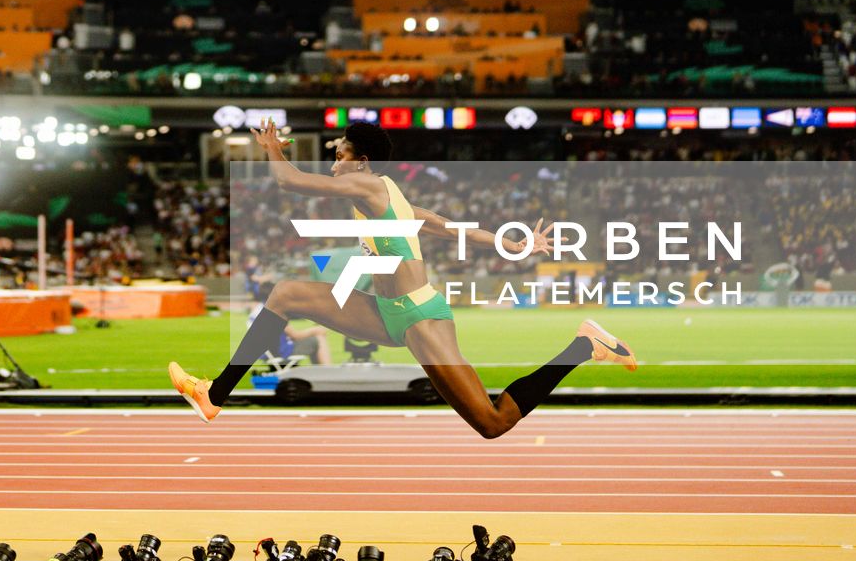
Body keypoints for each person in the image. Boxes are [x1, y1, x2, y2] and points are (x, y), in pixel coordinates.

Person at [169, 121, 638, 439]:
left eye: (341, 148)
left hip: (419, 318)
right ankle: (214, 395)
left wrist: (271, 150)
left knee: (492, 422)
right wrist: (510, 244)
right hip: (384, 312)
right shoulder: (382, 195)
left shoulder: (369, 185)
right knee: (287, 293)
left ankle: (584, 345)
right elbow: (440, 225)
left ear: (361, 158)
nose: (335, 152)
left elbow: (290, 181)